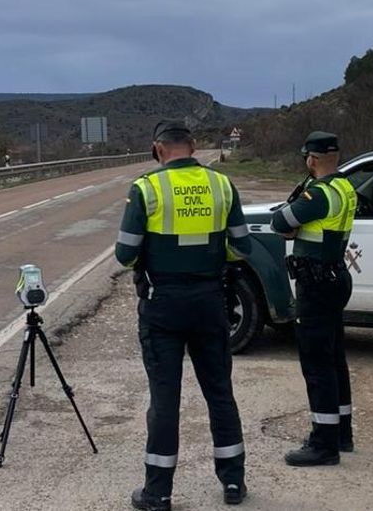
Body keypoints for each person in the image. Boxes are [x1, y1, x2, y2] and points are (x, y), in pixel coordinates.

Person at [115, 121, 253, 510]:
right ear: (193, 146)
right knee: (220, 392)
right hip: (210, 302)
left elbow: (125, 255)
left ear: (158, 149)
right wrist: (210, 258)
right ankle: (233, 482)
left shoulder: (146, 188)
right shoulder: (222, 185)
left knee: (165, 400)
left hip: (163, 305)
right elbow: (242, 246)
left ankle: (158, 493)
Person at [270, 131, 357, 467]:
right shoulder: (344, 187)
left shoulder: (318, 194)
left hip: (316, 284)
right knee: (334, 358)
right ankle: (342, 433)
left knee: (317, 364)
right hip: (336, 277)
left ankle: (323, 444)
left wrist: (290, 217)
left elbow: (280, 221)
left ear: (312, 159)